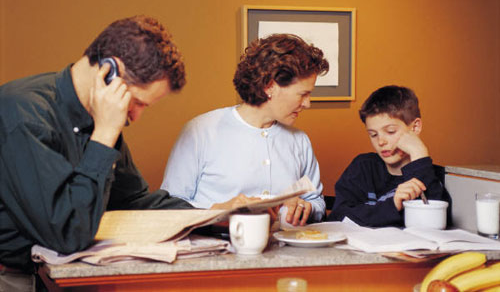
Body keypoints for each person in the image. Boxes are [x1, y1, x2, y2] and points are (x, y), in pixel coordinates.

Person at [0, 15, 251, 292]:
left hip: (59, 277)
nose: (136, 116)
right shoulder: (24, 115)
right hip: (14, 279)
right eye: (138, 102)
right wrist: (105, 134)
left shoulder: (102, 120)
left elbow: (135, 201)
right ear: (108, 72)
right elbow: (67, 235)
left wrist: (212, 215)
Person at [161, 33, 329, 226]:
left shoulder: (299, 140)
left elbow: (316, 201)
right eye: (303, 94)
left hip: (286, 252)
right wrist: (220, 212)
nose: (307, 104)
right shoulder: (200, 131)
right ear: (270, 86)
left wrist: (307, 208)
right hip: (218, 250)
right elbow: (171, 206)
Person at [326, 85, 449, 227]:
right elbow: (338, 216)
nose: (381, 141)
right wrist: (392, 205)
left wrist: (419, 153)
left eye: (390, 132)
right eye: (373, 134)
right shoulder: (363, 167)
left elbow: (432, 223)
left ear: (415, 128)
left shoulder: (432, 174)